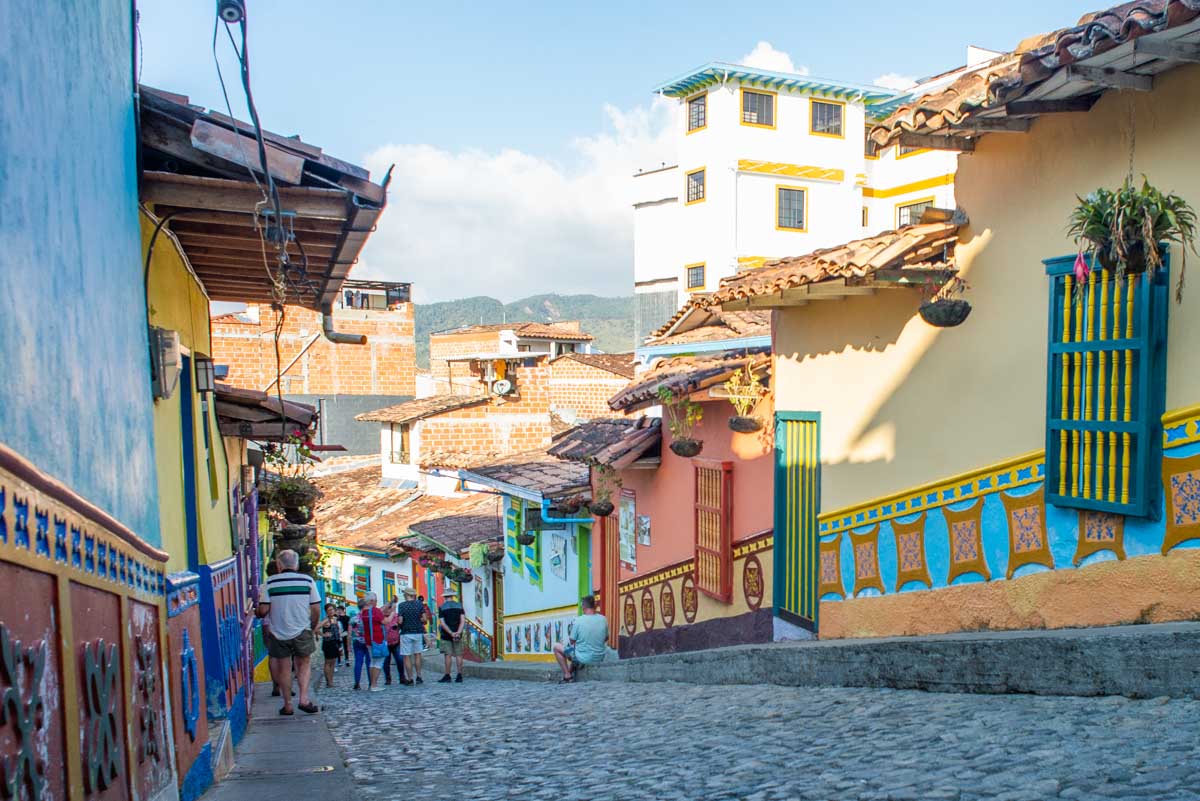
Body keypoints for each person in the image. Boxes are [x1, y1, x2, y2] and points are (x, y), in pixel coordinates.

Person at [255, 550, 320, 714]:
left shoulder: (270, 583)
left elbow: (263, 610)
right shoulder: (307, 581)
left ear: (279, 564)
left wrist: (256, 612)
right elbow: (315, 608)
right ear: (296, 564)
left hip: (278, 632)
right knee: (303, 664)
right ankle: (304, 699)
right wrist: (312, 626)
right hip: (302, 628)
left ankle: (288, 704)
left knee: (284, 667)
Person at [553, 595, 608, 683]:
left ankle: (567, 675)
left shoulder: (578, 620)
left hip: (583, 658)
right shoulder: (603, 619)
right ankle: (572, 670)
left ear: (584, 607)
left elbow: (572, 641)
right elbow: (606, 638)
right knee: (578, 648)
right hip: (599, 657)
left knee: (557, 646)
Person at [396, 586, 429, 685]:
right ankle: (419, 676)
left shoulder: (402, 605)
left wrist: (399, 624)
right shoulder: (419, 605)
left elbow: (400, 620)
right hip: (418, 632)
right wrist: (417, 620)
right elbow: (424, 619)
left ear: (406, 595)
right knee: (417, 655)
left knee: (407, 657)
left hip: (406, 633)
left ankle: (410, 678)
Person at [437, 588, 467, 683]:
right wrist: (458, 632)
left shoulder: (441, 607)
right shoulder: (459, 606)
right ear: (453, 596)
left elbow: (442, 623)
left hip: (446, 635)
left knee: (448, 655)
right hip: (458, 634)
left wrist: (451, 633)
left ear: (445, 596)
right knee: (459, 655)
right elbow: (462, 621)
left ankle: (447, 675)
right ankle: (459, 675)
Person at [359, 592, 388, 691]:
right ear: (371, 601)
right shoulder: (375, 611)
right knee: (379, 662)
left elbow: (380, 611)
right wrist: (392, 614)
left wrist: (389, 604)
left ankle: (372, 684)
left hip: (369, 639)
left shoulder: (364, 612)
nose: (376, 602)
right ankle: (374, 685)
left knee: (372, 661)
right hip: (378, 638)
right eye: (376, 601)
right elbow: (385, 621)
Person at [317, 603, 342, 688]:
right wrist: (323, 635)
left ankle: (331, 681)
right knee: (328, 662)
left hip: (335, 643)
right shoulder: (326, 620)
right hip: (328, 643)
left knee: (333, 663)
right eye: (329, 610)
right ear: (326, 612)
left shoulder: (335, 619)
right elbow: (316, 628)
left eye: (332, 610)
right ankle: (328, 681)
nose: (331, 611)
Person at [382, 601, 406, 685]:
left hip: (396, 642)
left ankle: (402, 677)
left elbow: (401, 624)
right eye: (387, 608)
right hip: (385, 644)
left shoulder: (396, 616)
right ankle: (388, 679)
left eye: (390, 608)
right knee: (386, 662)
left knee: (400, 660)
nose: (388, 610)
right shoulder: (382, 617)